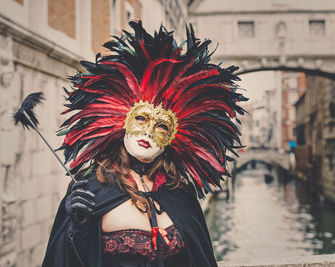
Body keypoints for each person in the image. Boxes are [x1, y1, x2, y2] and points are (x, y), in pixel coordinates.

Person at [42, 21, 246, 267]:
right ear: (123, 120)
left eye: (162, 127)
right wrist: (77, 230)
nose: (148, 132)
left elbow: (199, 257)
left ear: (174, 137)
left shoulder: (179, 192)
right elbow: (65, 259)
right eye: (141, 118)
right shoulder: (91, 190)